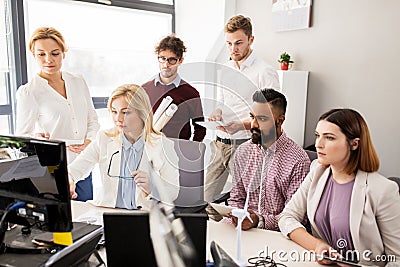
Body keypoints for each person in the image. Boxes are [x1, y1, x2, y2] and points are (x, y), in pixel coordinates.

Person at [278, 108, 400, 266]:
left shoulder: (383, 190)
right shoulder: (317, 171)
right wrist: (317, 246)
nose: (318, 144)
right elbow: (287, 217)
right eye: (318, 135)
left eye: (329, 138)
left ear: (354, 144)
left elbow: (397, 259)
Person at [15, 27, 99, 202]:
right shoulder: (29, 91)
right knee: (63, 224)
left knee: (87, 219)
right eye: (41, 54)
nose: (48, 60)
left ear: (63, 53)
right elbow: (22, 137)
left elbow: (93, 119)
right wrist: (37, 138)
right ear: (33, 55)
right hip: (55, 169)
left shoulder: (78, 81)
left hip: (83, 164)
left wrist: (89, 141)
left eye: (55, 53)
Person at [205, 15, 281, 203]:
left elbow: (270, 116)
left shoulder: (264, 71)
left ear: (251, 40)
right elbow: (222, 101)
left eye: (238, 43)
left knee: (248, 201)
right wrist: (217, 112)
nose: (233, 49)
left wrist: (240, 126)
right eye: (229, 43)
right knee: (205, 200)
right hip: (219, 143)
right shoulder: (225, 68)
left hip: (245, 146)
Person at [68, 84, 179, 210]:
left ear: (142, 113)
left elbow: (173, 191)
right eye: (114, 112)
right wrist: (70, 179)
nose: (118, 119)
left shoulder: (164, 146)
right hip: (106, 212)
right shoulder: (104, 138)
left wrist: (152, 187)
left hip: (144, 214)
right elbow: (76, 168)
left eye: (125, 112)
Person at [221, 89, 310, 230]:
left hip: (277, 233)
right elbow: (236, 198)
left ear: (280, 121)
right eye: (252, 117)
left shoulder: (298, 161)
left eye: (262, 119)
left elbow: (296, 217)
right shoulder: (243, 152)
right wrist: (237, 217)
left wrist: (258, 221)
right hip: (242, 228)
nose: (254, 125)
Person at [142, 34, 206, 142]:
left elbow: (200, 128)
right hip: (149, 150)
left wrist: (190, 150)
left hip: (178, 153)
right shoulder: (144, 89)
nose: (166, 64)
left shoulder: (191, 93)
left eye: (171, 60)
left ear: (180, 61)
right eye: (163, 59)